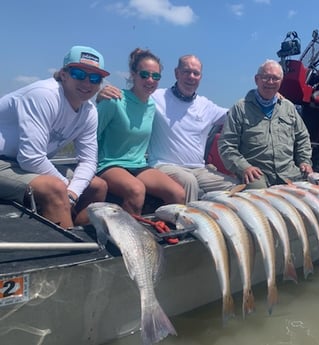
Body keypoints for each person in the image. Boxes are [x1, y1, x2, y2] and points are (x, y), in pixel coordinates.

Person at [98, 55, 238, 202]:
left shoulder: (206, 105)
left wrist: (258, 105)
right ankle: (189, 223)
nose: (191, 77)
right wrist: (101, 95)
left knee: (235, 186)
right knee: (189, 181)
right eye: (186, 72)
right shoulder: (155, 97)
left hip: (199, 169)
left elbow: (235, 116)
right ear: (176, 73)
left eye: (196, 73)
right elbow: (133, 97)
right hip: (164, 165)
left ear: (200, 77)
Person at [0, 45, 109, 229]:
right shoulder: (44, 95)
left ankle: (84, 243)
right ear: (64, 74)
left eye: (95, 78)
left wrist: (73, 192)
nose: (87, 83)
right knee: (55, 189)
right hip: (5, 162)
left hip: (23, 163)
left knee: (98, 186)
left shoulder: (89, 111)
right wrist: (67, 189)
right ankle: (71, 252)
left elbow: (89, 161)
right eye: (79, 74)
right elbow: (31, 158)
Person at [96, 48, 185, 214]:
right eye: (145, 75)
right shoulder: (114, 100)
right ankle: (128, 238)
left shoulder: (152, 105)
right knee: (136, 190)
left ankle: (169, 235)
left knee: (178, 193)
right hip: (109, 164)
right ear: (133, 75)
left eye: (156, 76)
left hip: (138, 165)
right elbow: (90, 135)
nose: (150, 80)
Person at [218, 59, 314, 189]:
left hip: (289, 173)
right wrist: (244, 168)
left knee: (311, 192)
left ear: (281, 82)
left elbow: (302, 137)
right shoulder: (240, 108)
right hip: (257, 175)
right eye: (266, 77)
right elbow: (226, 145)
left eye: (275, 78)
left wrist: (304, 161)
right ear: (256, 79)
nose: (270, 82)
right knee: (258, 195)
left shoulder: (289, 108)